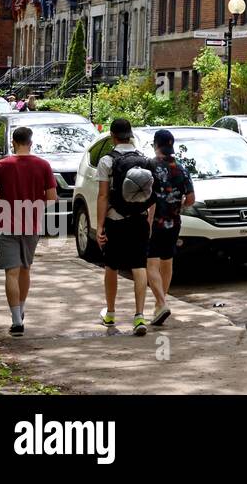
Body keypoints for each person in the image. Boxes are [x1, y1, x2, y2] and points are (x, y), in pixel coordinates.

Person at [0, 126, 56, 336]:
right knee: (25, 269)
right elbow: (52, 199)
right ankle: (22, 309)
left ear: (13, 142)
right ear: (31, 143)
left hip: (6, 223)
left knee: (11, 272)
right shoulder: (43, 165)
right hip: (31, 224)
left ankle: (16, 320)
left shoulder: (1, 165)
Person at [95, 118, 155, 336]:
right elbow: (152, 197)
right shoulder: (146, 160)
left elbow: (103, 195)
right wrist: (148, 220)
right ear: (130, 135)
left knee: (111, 266)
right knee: (139, 266)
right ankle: (139, 316)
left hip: (115, 220)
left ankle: (110, 312)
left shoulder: (107, 161)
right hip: (138, 219)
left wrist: (100, 226)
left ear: (113, 136)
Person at [145, 129, 193, 326]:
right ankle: (160, 304)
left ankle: (162, 303)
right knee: (167, 261)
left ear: (156, 144)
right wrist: (176, 204)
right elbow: (191, 199)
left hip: (153, 222)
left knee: (150, 263)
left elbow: (145, 194)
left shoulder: (150, 165)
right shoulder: (181, 168)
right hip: (174, 222)